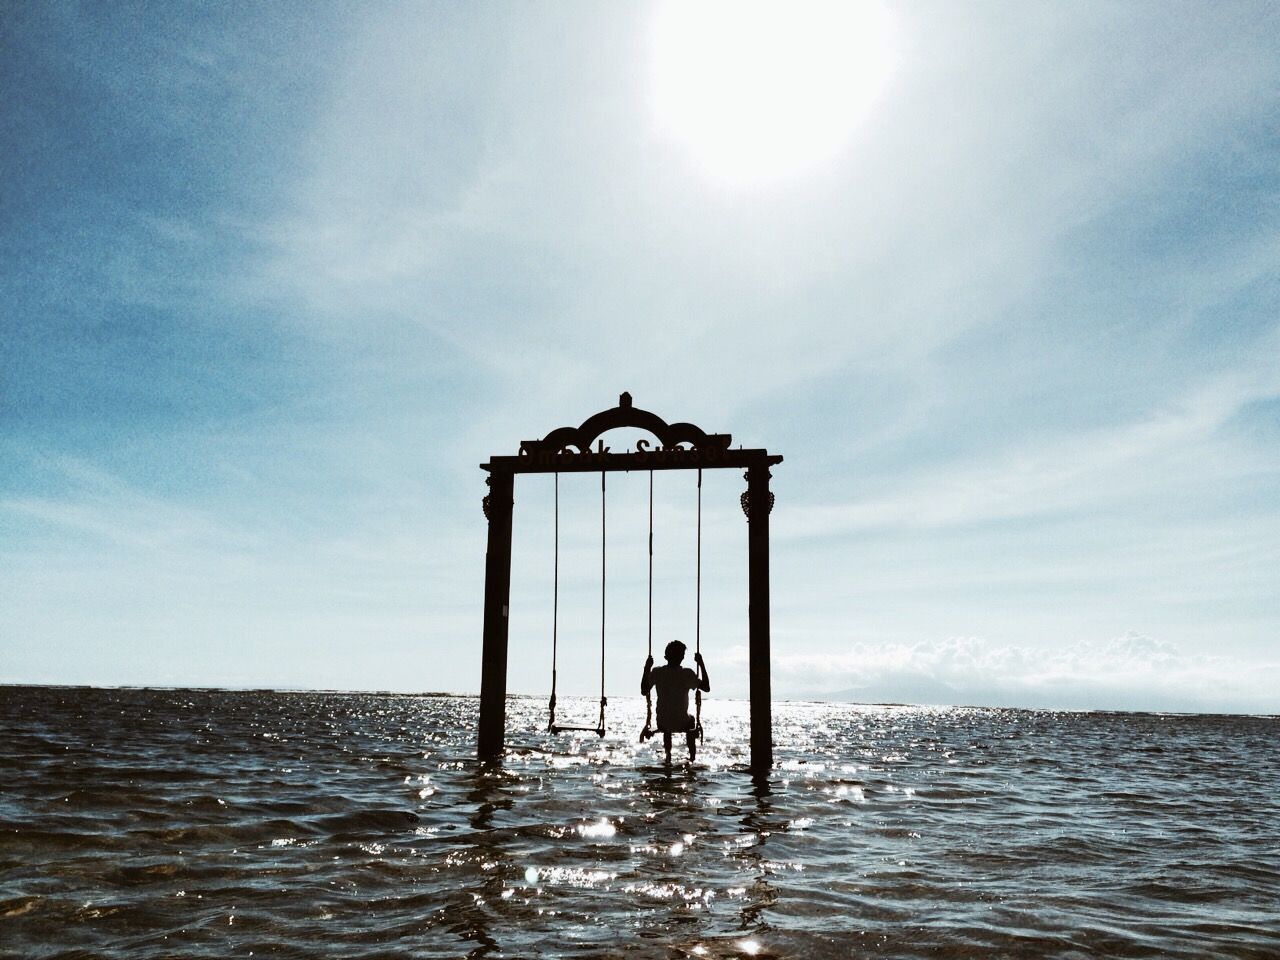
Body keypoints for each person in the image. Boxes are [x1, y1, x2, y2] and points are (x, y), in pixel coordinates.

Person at [640, 640, 710, 763]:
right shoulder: (686, 674)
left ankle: (668, 756)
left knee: (666, 725)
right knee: (691, 720)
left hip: (662, 722)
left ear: (666, 656)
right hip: (682, 722)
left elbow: (644, 690)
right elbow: (706, 687)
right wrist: (701, 663)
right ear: (682, 657)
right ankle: (692, 756)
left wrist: (646, 668)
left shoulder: (657, 672)